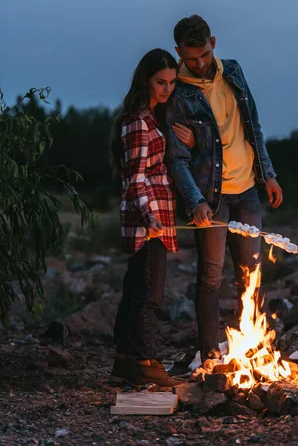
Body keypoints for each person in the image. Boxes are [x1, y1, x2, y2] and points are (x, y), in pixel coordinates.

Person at [165, 15, 283, 363]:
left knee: (251, 273)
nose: (199, 64)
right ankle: (210, 356)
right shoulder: (178, 93)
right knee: (211, 277)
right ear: (179, 53)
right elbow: (177, 160)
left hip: (248, 190)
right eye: (191, 58)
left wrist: (269, 174)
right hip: (211, 199)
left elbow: (253, 128)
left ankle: (252, 350)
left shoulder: (233, 72)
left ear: (213, 43)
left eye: (203, 54)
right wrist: (196, 201)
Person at [109, 48, 194, 387]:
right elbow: (135, 177)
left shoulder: (153, 118)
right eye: (161, 82)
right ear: (145, 80)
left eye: (172, 82)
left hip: (156, 215)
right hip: (149, 220)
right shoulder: (138, 122)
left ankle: (125, 362)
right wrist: (150, 219)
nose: (167, 89)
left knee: (135, 289)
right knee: (149, 294)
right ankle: (146, 361)